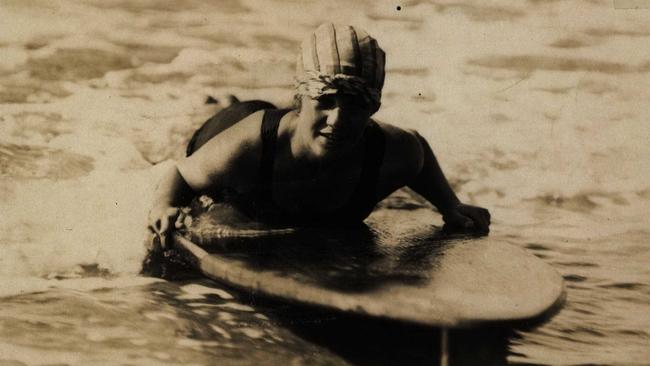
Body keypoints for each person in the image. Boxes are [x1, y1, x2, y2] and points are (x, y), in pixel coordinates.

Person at [148, 23, 490, 247]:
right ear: (300, 100)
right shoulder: (250, 144)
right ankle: (220, 101)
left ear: (373, 108)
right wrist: (165, 206)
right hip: (237, 129)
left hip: (283, 139)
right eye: (325, 102)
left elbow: (419, 153)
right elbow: (179, 171)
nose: (339, 118)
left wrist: (450, 204)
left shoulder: (390, 148)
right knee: (226, 115)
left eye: (356, 104)